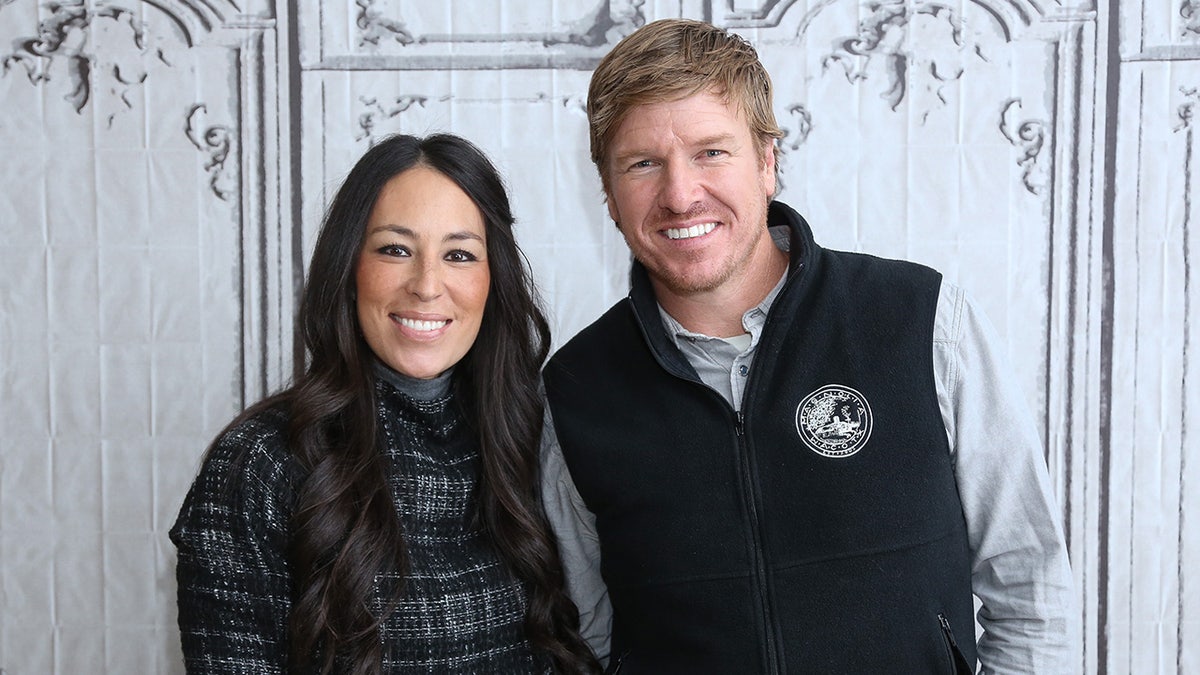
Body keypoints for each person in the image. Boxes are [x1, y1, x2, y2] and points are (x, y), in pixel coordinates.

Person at [539, 18, 1076, 674]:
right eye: (643, 163)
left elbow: (1029, 583)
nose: (680, 194)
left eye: (711, 152)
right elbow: (583, 641)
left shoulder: (921, 320)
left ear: (768, 161)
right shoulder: (576, 391)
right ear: (609, 193)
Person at [171, 133, 601, 674]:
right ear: (349, 268)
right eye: (395, 249)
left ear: (493, 281)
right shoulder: (260, 461)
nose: (426, 285)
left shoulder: (537, 438)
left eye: (459, 254)